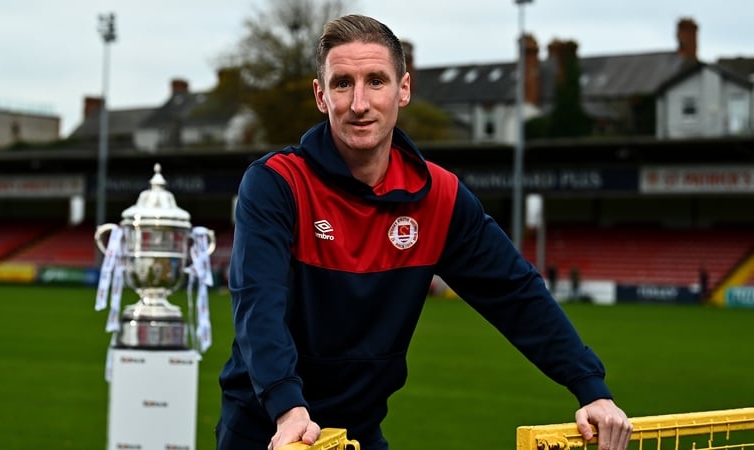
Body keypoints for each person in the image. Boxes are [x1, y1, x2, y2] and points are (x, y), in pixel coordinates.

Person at [216, 14, 633, 450]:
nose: (359, 102)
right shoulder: (277, 183)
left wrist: (592, 388)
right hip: (269, 428)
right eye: (343, 83)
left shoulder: (440, 197)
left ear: (404, 89)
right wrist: (287, 406)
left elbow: (516, 292)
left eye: (376, 81)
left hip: (357, 430)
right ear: (321, 96)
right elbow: (257, 303)